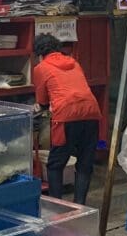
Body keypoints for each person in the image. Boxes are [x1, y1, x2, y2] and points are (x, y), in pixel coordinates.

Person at [33, 34, 101, 205]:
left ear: (40, 54)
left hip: (66, 116)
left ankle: (57, 206)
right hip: (91, 112)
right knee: (85, 164)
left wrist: (41, 106)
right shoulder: (73, 62)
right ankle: (80, 205)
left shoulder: (41, 67)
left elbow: (42, 101)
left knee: (55, 164)